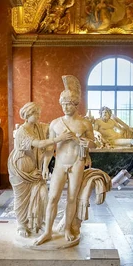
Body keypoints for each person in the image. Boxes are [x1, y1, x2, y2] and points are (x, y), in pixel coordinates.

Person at [35, 76, 96, 245]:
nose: (65, 107)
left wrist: (87, 143)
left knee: (71, 198)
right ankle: (47, 231)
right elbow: (49, 149)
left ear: (76, 104)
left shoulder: (84, 124)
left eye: (69, 103)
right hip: (60, 163)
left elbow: (94, 144)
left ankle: (68, 228)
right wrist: (46, 166)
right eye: (63, 104)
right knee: (53, 197)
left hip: (77, 162)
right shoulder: (55, 123)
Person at [8, 102, 73, 237]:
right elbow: (39, 144)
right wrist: (58, 138)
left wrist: (69, 123)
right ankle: (22, 224)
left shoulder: (40, 127)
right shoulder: (22, 131)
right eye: (35, 114)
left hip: (36, 168)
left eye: (38, 113)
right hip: (21, 170)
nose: (38, 116)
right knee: (21, 199)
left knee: (43, 195)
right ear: (27, 115)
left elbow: (53, 127)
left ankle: (39, 221)